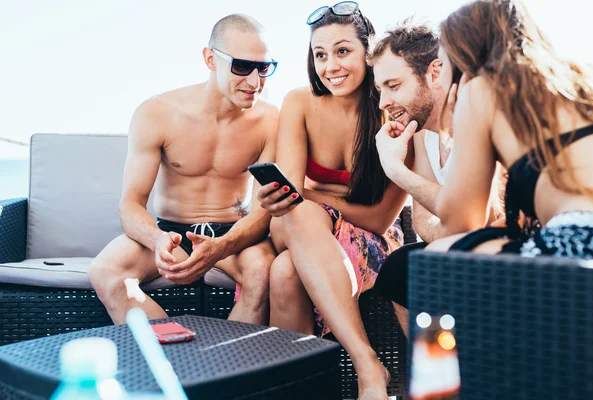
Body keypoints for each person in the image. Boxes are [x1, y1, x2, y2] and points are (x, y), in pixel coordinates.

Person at [88, 14, 280, 326]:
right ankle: (175, 359)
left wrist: (218, 248)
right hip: (170, 234)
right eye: (242, 66)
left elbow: (261, 214)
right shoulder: (157, 113)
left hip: (233, 237)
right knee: (105, 271)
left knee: (264, 273)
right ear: (210, 59)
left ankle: (230, 370)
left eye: (264, 68)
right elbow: (131, 204)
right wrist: (156, 239)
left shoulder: (270, 121)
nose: (255, 81)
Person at [257, 3, 408, 399]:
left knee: (286, 272)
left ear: (368, 53)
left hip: (371, 238)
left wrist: (313, 195)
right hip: (303, 228)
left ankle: (310, 386)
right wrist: (300, 199)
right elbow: (288, 202)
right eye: (320, 55)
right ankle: (367, 365)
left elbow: (378, 219)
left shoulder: (393, 108)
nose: (330, 66)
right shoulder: (299, 103)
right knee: (301, 218)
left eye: (343, 51)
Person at [376, 0, 593, 259]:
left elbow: (461, 223)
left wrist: (394, 168)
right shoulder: (579, 81)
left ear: (462, 56)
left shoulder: (480, 89)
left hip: (581, 242)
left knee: (438, 253)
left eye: (444, 61)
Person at [367, 21, 504, 335]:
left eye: (393, 85)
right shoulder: (422, 135)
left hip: (511, 245)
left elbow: (480, 221)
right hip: (455, 245)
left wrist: (396, 170)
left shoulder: (477, 113)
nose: (383, 103)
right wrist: (447, 229)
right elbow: (422, 221)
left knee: (434, 268)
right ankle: (429, 376)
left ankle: (465, 374)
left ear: (434, 73)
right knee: (398, 268)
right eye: (380, 89)